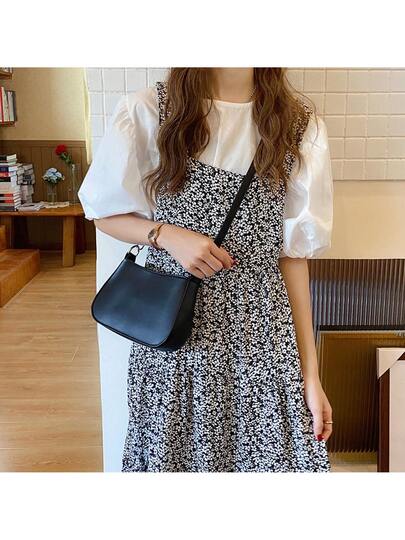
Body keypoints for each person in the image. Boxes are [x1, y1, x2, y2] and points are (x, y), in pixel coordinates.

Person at [78, 68, 334, 472]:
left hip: (261, 337)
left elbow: (294, 257)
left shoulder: (298, 125)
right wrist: (165, 235)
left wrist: (310, 375)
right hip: (174, 336)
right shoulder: (150, 110)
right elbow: (102, 211)